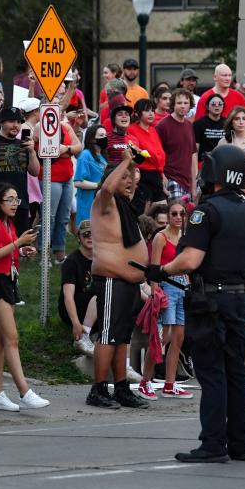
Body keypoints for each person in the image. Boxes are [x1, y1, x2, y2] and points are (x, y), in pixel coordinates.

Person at [153, 145, 245, 462]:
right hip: (239, 298)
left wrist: (161, 270)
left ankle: (213, 444)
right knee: (236, 373)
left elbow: (190, 259)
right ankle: (241, 443)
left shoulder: (206, 211)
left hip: (210, 301)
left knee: (213, 372)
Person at [83, 147, 152, 411]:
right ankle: (98, 389)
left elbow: (131, 180)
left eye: (132, 180)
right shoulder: (104, 201)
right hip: (111, 280)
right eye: (125, 178)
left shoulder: (126, 208)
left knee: (122, 338)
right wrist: (125, 162)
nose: (131, 183)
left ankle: (121, 387)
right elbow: (107, 188)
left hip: (129, 283)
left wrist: (133, 166)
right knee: (109, 336)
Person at [0, 183, 48, 411]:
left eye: (17, 199)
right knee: (11, 337)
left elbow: (3, 250)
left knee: (0, 341)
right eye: (10, 199)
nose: (15, 204)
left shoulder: (7, 223)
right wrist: (18, 243)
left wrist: (19, 250)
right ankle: (23, 391)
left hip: (7, 280)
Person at [137, 201, 193, 401]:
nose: (178, 217)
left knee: (178, 338)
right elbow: (153, 268)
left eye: (182, 214)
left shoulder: (186, 238)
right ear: (168, 216)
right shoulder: (161, 237)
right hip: (167, 286)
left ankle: (170, 384)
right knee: (163, 337)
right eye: (174, 213)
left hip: (183, 286)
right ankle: (145, 382)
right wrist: (155, 292)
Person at [0, 107, 41, 234]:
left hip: (20, 203)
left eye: (18, 122)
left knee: (20, 245)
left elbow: (35, 172)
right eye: (11, 121)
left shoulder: (23, 144)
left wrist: (32, 152)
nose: (15, 125)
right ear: (1, 122)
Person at [36, 100, 82, 263]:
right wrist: (63, 151)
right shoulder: (40, 127)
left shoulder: (66, 126)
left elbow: (78, 147)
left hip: (67, 177)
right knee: (49, 217)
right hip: (50, 177)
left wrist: (67, 150)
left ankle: (59, 252)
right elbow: (49, 152)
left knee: (63, 217)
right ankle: (43, 253)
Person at [59, 220, 97, 357]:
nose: (90, 238)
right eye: (86, 234)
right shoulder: (72, 261)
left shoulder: (101, 259)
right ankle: (84, 336)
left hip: (94, 306)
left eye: (94, 234)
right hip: (74, 305)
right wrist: (75, 323)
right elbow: (68, 296)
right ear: (79, 237)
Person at [156, 89, 198, 200]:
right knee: (176, 215)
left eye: (186, 103)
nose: (183, 106)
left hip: (188, 182)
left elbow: (193, 155)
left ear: (190, 105)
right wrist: (162, 177)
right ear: (173, 105)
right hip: (171, 178)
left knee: (187, 215)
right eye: (179, 103)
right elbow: (156, 153)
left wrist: (194, 185)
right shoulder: (163, 125)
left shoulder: (189, 125)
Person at [126, 98, 167, 210]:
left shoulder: (153, 130)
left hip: (156, 173)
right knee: (144, 209)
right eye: (146, 110)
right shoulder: (131, 130)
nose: (151, 113)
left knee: (161, 208)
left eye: (153, 110)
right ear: (138, 113)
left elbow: (160, 154)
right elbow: (135, 151)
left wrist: (162, 173)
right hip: (142, 174)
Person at [218, 106, 245, 180]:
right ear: (231, 122)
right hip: (227, 184)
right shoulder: (223, 142)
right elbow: (218, 167)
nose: (241, 122)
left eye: (244, 119)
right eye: (237, 119)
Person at [74, 124, 107, 225]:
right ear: (92, 139)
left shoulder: (102, 156)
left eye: (105, 135)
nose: (104, 138)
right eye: (101, 136)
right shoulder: (85, 155)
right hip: (88, 204)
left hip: (101, 202)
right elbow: (78, 182)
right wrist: (98, 185)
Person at [193, 93, 226, 162]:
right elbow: (195, 149)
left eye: (220, 104)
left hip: (223, 162)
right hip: (204, 163)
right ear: (207, 106)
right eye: (213, 104)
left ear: (223, 106)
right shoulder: (198, 124)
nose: (217, 106)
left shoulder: (228, 123)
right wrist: (195, 170)